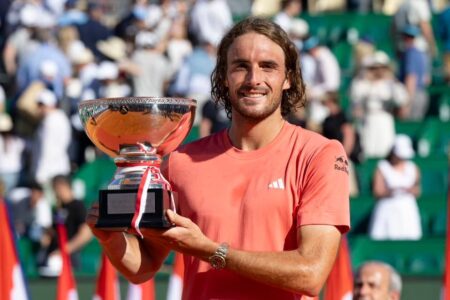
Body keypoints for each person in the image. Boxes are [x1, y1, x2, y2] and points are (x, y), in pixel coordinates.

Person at [87, 17, 350, 299]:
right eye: (240, 66)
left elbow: (311, 273)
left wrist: (211, 251)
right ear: (224, 76)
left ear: (288, 78)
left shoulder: (319, 154)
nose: (253, 79)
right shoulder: (181, 162)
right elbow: (144, 267)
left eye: (268, 66)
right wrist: (111, 237)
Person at [369, 134, 422, 240]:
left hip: (407, 211)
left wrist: (410, 191)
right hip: (387, 210)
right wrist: (392, 192)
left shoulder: (413, 168)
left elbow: (418, 190)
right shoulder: (382, 167)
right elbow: (377, 191)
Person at [38, 174, 92, 277]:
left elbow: (85, 235)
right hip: (53, 256)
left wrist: (63, 251)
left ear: (62, 186)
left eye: (55, 189)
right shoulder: (58, 208)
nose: (55, 193)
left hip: (70, 257)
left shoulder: (78, 206)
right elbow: (55, 231)